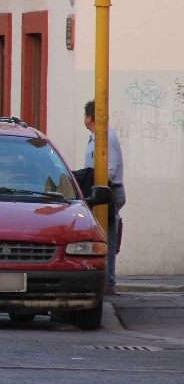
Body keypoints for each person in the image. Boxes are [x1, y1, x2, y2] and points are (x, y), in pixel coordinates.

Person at [83, 100, 126, 295]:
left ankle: (108, 282)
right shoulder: (95, 137)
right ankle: (106, 280)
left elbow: (108, 170)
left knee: (107, 236)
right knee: (103, 236)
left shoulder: (105, 137)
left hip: (108, 190)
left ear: (89, 117)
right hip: (101, 189)